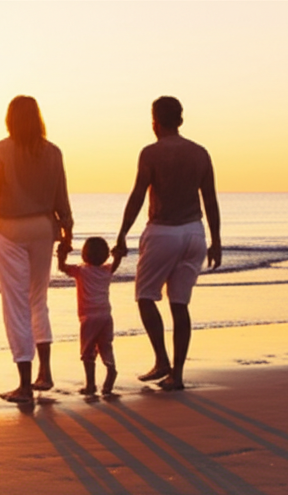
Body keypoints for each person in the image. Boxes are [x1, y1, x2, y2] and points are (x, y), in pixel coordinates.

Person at [0, 96, 74, 404]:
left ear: (9, 119)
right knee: (38, 299)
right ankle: (45, 373)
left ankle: (24, 385)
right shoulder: (53, 152)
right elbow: (62, 197)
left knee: (15, 305)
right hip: (44, 230)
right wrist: (67, 234)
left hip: (10, 230)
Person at [112, 96, 222, 391]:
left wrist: (122, 233)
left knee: (146, 296)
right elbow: (209, 199)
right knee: (180, 304)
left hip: (163, 232)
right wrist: (216, 240)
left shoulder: (151, 153)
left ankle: (162, 360)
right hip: (194, 234)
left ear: (155, 122)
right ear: (180, 120)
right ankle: (178, 375)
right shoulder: (200, 153)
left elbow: (137, 196)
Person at [57, 237, 122, 396]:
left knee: (88, 352)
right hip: (106, 315)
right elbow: (116, 263)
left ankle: (91, 384)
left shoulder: (81, 271)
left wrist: (61, 254)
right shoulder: (107, 270)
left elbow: (62, 268)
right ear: (106, 255)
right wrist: (118, 254)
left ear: (84, 255)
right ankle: (110, 368)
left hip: (89, 318)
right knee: (106, 345)